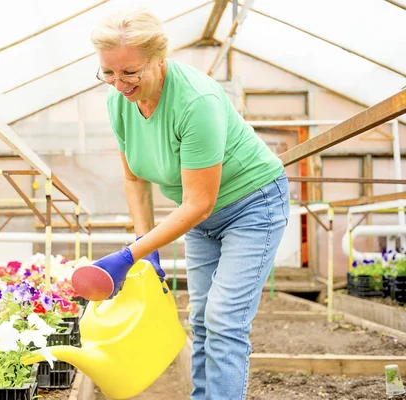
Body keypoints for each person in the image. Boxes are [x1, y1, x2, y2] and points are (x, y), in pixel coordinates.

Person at [87, 6, 290, 400]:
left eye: (130, 72)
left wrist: (129, 254)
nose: (118, 84)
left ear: (159, 59)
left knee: (224, 320)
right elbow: (134, 178)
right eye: (108, 73)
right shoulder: (119, 103)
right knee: (199, 319)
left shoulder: (196, 101)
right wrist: (146, 247)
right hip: (201, 218)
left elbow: (199, 202)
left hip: (252, 205)